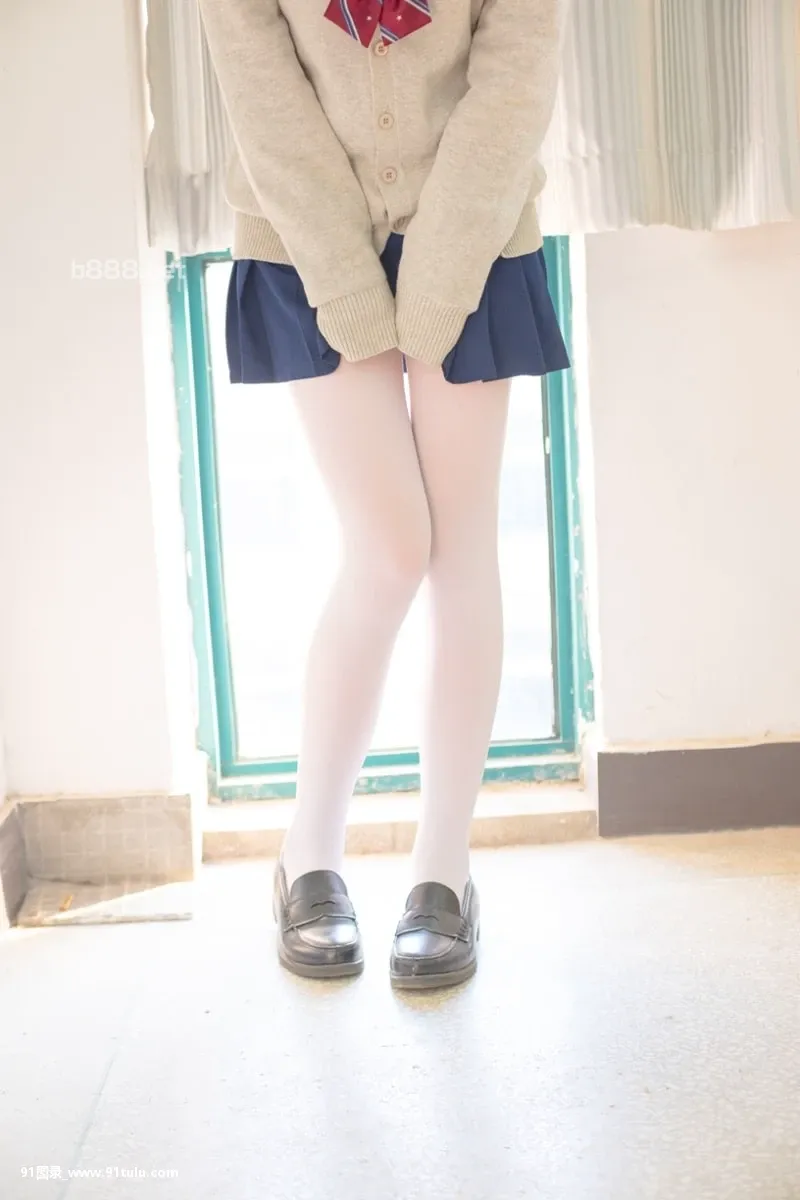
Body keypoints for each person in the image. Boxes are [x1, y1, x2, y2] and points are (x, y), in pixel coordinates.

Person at [199, 0, 568, 989]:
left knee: (461, 552)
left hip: (474, 226)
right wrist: (354, 294)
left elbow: (513, 81)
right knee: (391, 546)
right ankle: (307, 852)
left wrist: (440, 281)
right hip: (303, 237)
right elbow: (266, 101)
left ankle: (442, 870)